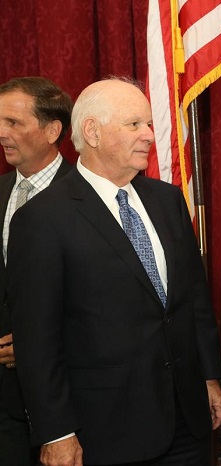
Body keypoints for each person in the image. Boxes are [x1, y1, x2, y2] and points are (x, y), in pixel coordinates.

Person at [8, 78, 221, 465]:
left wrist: (208, 376)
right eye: (135, 124)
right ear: (92, 131)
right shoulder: (41, 220)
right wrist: (57, 431)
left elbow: (193, 299)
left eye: (148, 124)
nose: (149, 135)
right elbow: (37, 342)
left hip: (187, 418)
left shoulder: (167, 200)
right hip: (105, 429)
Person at [0, 76, 73, 465]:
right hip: (5, 403)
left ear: (51, 130)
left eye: (13, 123)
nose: (1, 133)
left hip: (70, 399)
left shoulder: (89, 196)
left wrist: (32, 344)